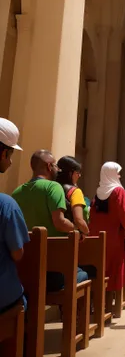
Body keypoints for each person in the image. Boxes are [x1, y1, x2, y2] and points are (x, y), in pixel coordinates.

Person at [13, 150, 89, 291]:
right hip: (53, 270)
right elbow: (59, 222)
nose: (57, 170)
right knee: (84, 275)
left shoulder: (16, 192)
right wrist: (76, 229)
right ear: (49, 166)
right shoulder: (53, 187)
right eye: (55, 166)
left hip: (26, 269)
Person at [89, 162, 125, 302]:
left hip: (98, 238)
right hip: (115, 238)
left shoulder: (98, 192)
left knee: (101, 270)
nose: (119, 175)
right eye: (117, 172)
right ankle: (112, 306)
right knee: (115, 273)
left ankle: (99, 303)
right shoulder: (118, 191)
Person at [0, 118, 29, 314]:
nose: (10, 162)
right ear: (3, 154)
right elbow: (17, 254)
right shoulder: (6, 204)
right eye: (10, 156)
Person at [56, 156, 89, 235]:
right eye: (78, 172)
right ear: (70, 173)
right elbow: (78, 220)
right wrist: (87, 232)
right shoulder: (75, 191)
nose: (79, 176)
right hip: (69, 239)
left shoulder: (52, 188)